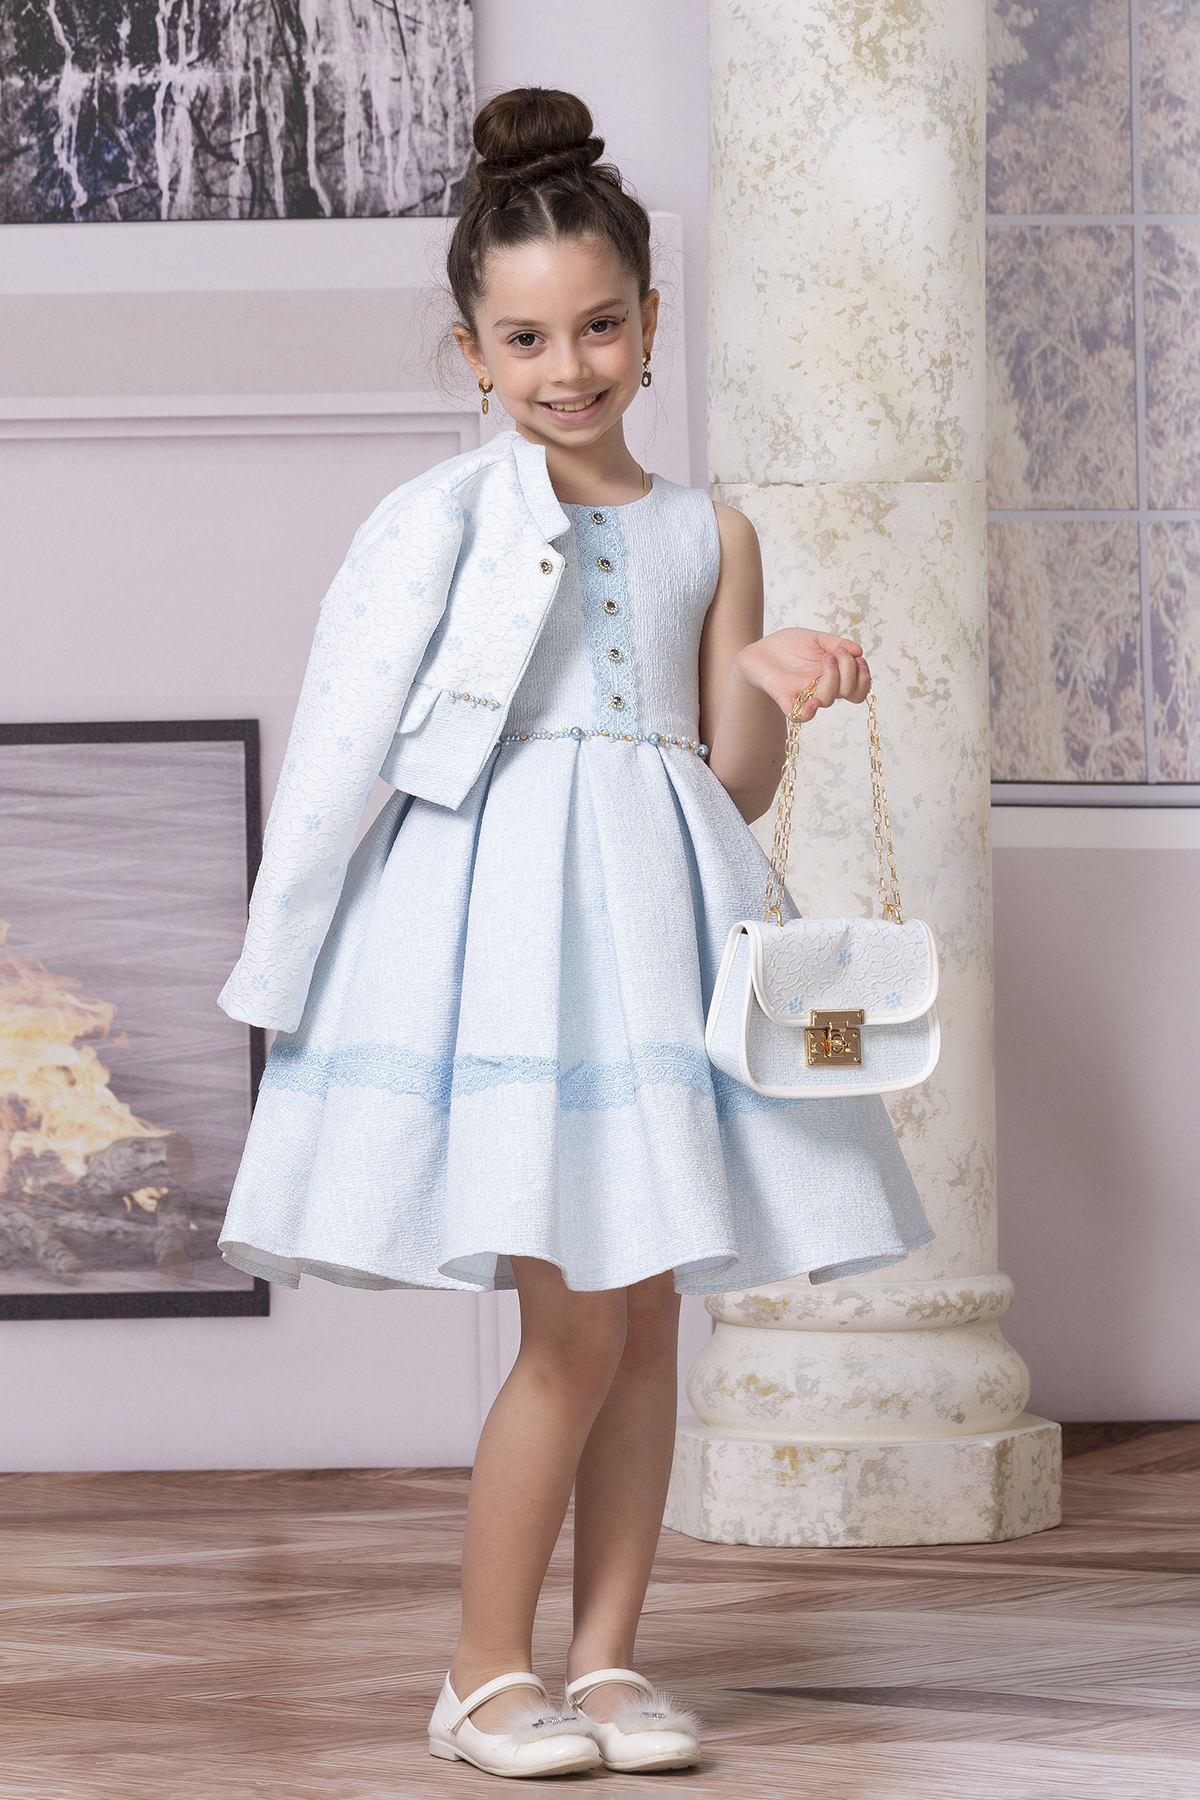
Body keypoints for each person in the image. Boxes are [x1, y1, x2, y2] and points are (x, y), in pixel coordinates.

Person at [216, 87, 933, 1780]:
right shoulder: (441, 520)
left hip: (662, 927)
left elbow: (724, 783)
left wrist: (770, 684)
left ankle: (607, 1663)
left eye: (600, 326)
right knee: (576, 1323)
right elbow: (337, 744)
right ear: (470, 350)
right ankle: (482, 1673)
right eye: (527, 338)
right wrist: (281, 962)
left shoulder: (710, 532)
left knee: (651, 1315)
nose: (569, 366)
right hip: (506, 938)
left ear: (653, 324)